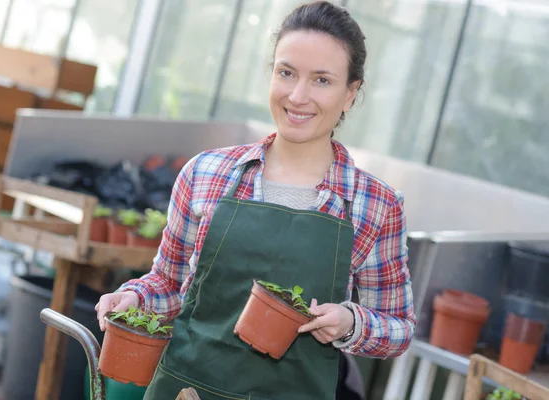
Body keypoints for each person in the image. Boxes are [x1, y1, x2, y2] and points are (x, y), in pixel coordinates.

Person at [95, 2, 416, 399]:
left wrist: (350, 322)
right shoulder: (206, 173)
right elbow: (169, 282)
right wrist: (134, 297)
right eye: (286, 73)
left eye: (321, 80)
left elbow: (399, 328)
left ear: (350, 94)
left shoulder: (375, 204)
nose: (298, 96)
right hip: (187, 391)